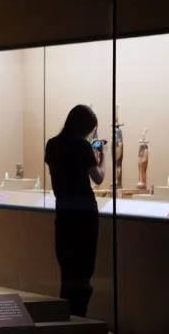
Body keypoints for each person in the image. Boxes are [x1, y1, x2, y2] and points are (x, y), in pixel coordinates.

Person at [45, 104, 105, 318]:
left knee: (68, 269)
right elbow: (98, 178)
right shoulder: (82, 146)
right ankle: (79, 316)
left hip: (63, 212)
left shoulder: (52, 144)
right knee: (84, 270)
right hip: (85, 214)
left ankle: (67, 317)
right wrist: (102, 156)